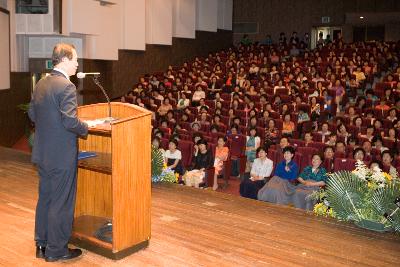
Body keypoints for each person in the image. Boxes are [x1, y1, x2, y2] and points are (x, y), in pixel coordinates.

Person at [28, 43, 87, 262]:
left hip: (43, 153)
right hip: (61, 156)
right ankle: (57, 250)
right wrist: (86, 127)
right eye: (75, 59)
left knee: (46, 198)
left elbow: (33, 115)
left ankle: (41, 244)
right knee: (61, 202)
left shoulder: (42, 83)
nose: (77, 63)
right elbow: (71, 121)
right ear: (64, 59)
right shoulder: (66, 86)